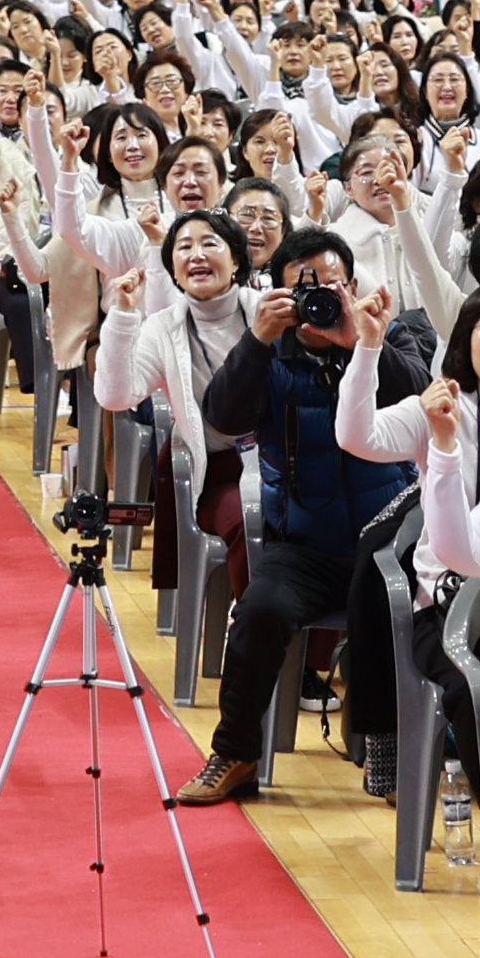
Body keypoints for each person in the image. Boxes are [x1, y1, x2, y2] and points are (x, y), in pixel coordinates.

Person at [173, 229, 419, 806]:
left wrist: (362, 344)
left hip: (388, 544)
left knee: (407, 614)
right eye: (304, 291)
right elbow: (223, 417)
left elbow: (422, 398)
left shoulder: (389, 333)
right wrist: (257, 340)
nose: (321, 302)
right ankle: (235, 754)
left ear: (352, 286)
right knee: (258, 611)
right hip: (307, 546)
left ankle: (397, 761)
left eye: (332, 287)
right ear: (278, 296)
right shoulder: (270, 353)